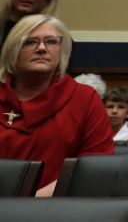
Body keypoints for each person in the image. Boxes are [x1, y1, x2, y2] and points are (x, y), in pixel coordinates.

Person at [0, 15, 113, 195]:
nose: (42, 48)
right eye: (30, 42)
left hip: (56, 209)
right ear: (12, 50)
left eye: (51, 41)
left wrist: (30, 203)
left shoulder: (84, 98)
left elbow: (95, 167)